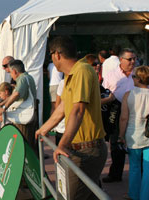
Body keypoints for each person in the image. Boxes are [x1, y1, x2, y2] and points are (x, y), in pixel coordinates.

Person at [35, 36, 107, 199]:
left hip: (87, 150)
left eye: (50, 55)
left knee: (70, 196)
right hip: (80, 149)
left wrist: (62, 144)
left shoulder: (81, 71)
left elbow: (77, 110)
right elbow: (63, 109)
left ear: (57, 55)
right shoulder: (71, 75)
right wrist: (44, 129)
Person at [102, 48, 136, 183]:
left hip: (135, 112)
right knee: (116, 143)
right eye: (130, 59)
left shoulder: (138, 74)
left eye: (134, 58)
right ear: (121, 60)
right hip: (117, 111)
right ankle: (115, 174)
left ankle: (139, 175)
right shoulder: (111, 75)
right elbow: (105, 92)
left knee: (136, 143)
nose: (133, 61)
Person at [118, 66, 149, 200]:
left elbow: (124, 118)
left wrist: (121, 135)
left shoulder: (129, 95)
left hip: (133, 135)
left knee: (134, 167)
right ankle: (146, 196)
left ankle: (134, 194)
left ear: (137, 79)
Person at [0, 60, 37, 153]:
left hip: (24, 119)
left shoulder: (22, 78)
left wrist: (4, 108)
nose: (10, 75)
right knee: (30, 145)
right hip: (31, 114)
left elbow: (16, 94)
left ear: (14, 71)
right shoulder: (28, 77)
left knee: (24, 145)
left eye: (10, 72)